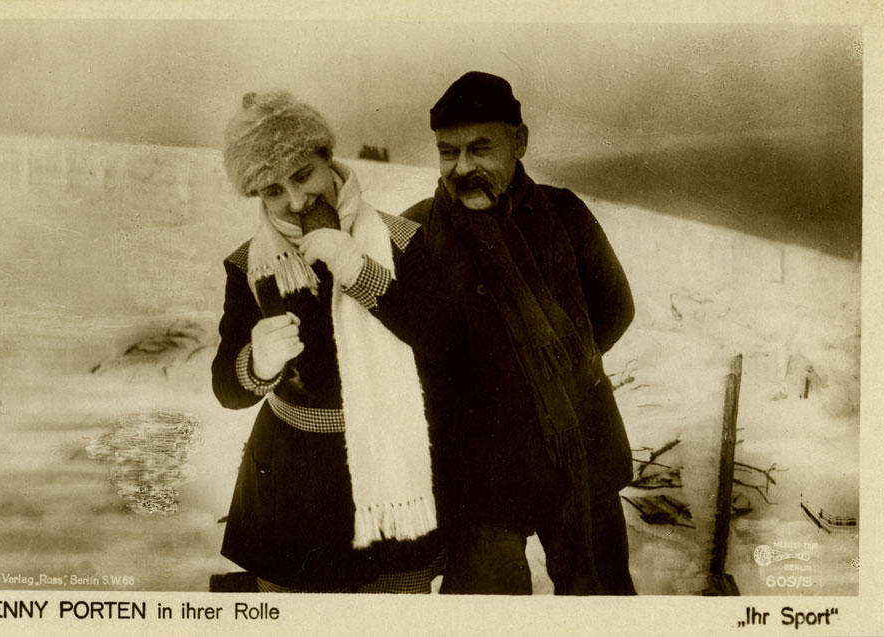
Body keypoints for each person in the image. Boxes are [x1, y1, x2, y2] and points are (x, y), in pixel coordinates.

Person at [402, 71, 637, 595]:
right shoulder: (414, 235)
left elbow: (615, 307)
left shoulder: (565, 214)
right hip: (481, 477)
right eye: (448, 152)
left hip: (580, 459)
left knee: (602, 609)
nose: (463, 167)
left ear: (520, 141)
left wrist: (558, 374)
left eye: (480, 148)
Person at [211, 91, 445, 593]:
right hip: (291, 489)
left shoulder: (402, 241)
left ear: (327, 158)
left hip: (389, 469)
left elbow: (443, 343)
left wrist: (360, 271)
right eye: (273, 190)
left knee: (393, 616)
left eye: (302, 175)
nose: (295, 201)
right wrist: (257, 363)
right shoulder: (248, 266)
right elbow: (226, 389)